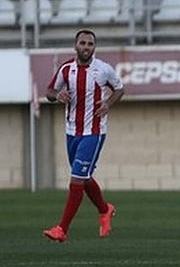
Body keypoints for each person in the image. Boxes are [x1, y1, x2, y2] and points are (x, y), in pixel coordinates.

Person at [42, 29, 124, 242]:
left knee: (77, 179)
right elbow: (49, 92)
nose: (86, 47)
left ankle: (62, 229)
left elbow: (119, 89)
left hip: (94, 132)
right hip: (71, 132)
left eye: (90, 44)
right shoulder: (66, 69)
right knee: (84, 177)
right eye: (83, 43)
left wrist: (108, 103)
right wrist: (57, 95)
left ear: (94, 48)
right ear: (75, 45)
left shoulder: (103, 69)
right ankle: (105, 209)